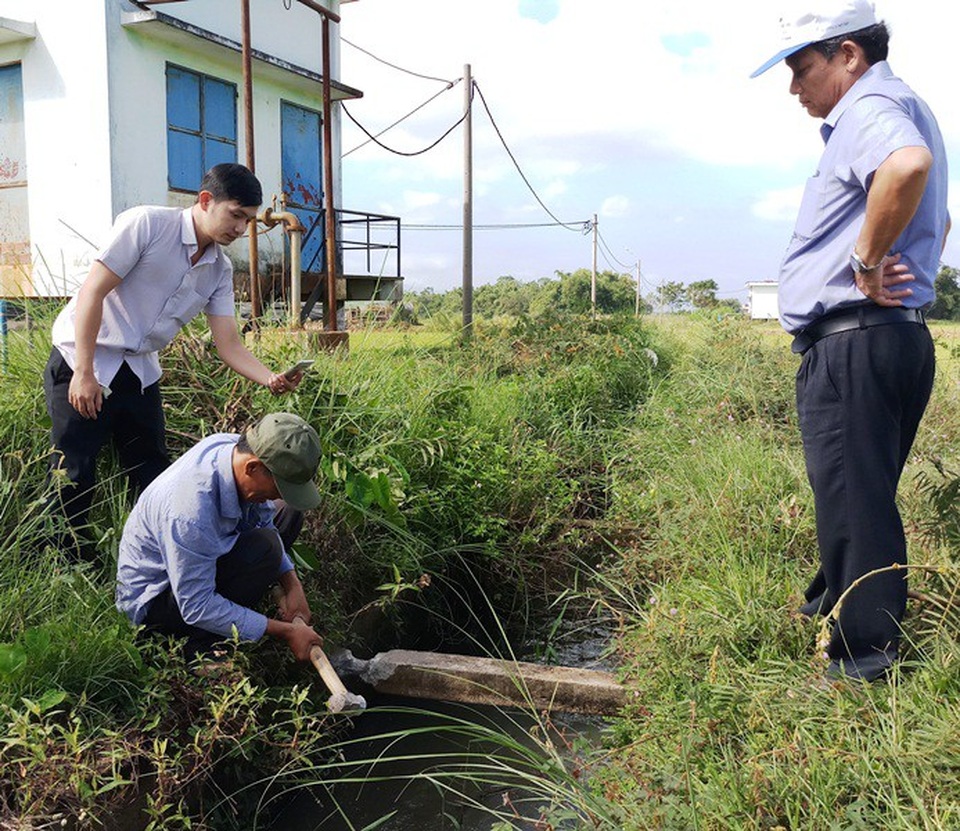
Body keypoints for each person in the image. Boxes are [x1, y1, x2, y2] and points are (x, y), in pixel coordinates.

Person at [752, 0, 950, 681]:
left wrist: (866, 261)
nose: (793, 87)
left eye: (801, 68)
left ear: (848, 55)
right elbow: (940, 221)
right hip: (891, 338)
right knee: (859, 493)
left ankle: (864, 666)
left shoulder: (870, 110)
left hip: (854, 343)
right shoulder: (904, 103)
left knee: (855, 497)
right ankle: (827, 606)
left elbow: (906, 166)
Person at [43, 163, 303, 563]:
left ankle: (154, 558)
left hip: (140, 372)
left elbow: (229, 344)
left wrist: (270, 378)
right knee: (74, 471)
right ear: (205, 201)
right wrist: (84, 371)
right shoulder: (147, 225)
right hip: (84, 358)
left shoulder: (219, 269)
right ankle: (66, 565)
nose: (240, 229)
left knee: (152, 471)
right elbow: (92, 292)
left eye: (249, 221)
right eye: (236, 215)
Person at [116, 412, 324, 663]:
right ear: (253, 467)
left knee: (287, 511)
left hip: (198, 557)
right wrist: (287, 632)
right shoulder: (189, 513)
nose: (273, 495)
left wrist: (292, 584)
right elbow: (196, 605)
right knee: (265, 548)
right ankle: (198, 646)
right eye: (278, 486)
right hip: (159, 600)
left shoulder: (234, 450)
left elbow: (264, 518)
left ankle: (238, 603)